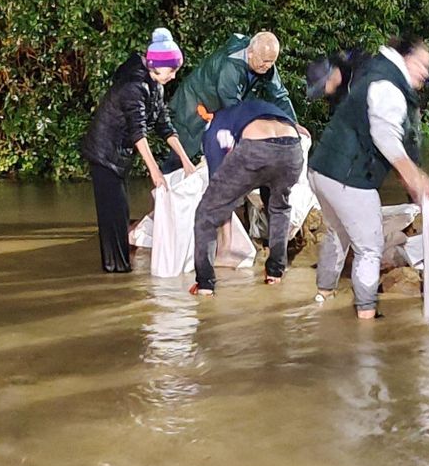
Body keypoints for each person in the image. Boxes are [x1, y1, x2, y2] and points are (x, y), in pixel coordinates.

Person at [308, 36, 429, 319]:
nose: (426, 73)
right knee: (369, 247)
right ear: (405, 58)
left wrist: (409, 175)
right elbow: (385, 136)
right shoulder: (389, 85)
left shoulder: (374, 70)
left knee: (337, 232)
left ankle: (323, 294)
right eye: (422, 64)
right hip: (348, 177)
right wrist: (413, 176)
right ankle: (366, 317)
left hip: (320, 170)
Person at [81, 27, 196, 273]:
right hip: (104, 154)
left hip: (119, 155)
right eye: (172, 70)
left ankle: (119, 266)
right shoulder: (134, 86)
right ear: (155, 65)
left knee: (121, 213)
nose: (174, 76)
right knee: (113, 214)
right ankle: (116, 270)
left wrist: (186, 161)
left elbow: (164, 125)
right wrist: (154, 171)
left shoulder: (156, 85)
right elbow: (138, 132)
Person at [190, 99, 304, 295]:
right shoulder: (249, 108)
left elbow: (217, 181)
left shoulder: (215, 125)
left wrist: (225, 236)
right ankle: (275, 272)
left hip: (257, 148)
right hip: (293, 147)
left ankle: (205, 284)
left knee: (205, 215)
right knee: (279, 207)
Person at [164, 31, 307, 170]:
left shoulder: (264, 62)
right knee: (184, 149)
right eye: (265, 62)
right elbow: (232, 104)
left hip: (221, 106)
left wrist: (292, 122)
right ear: (251, 53)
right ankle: (164, 185)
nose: (268, 66)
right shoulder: (231, 65)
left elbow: (279, 95)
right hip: (196, 100)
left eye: (272, 62)